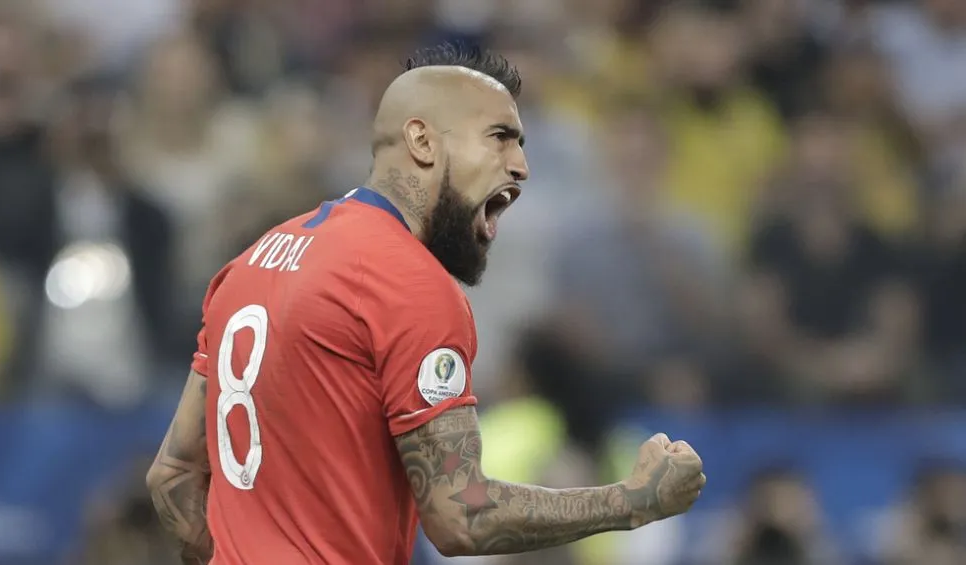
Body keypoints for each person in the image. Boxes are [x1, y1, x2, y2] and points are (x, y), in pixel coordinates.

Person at [145, 43, 706, 565]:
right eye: (499, 138)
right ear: (422, 142)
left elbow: (172, 475)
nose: (520, 167)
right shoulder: (405, 283)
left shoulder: (253, 262)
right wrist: (633, 500)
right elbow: (461, 516)